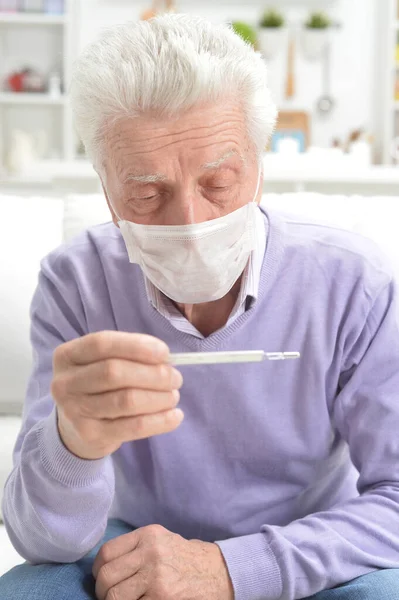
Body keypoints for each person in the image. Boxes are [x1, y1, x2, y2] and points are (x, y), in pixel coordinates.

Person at [1, 13, 399, 600]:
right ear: (106, 190)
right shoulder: (76, 282)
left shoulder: (354, 285)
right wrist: (72, 444)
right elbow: (43, 541)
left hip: (307, 545)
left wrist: (233, 569)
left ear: (260, 167)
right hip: (130, 544)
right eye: (145, 193)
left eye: (219, 183)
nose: (190, 224)